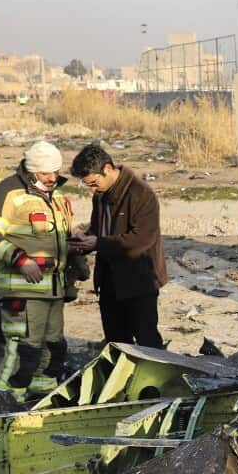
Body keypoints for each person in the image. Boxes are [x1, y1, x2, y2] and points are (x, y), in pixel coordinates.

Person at [0, 141, 77, 400]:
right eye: (45, 173)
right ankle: (4, 403)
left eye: (55, 171)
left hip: (54, 289)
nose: (53, 178)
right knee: (23, 352)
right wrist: (22, 261)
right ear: (31, 171)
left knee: (53, 349)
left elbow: (60, 238)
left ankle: (40, 398)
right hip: (22, 289)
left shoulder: (58, 196)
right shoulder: (7, 192)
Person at [69, 144, 167, 348]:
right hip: (109, 281)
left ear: (107, 169)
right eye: (88, 185)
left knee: (147, 340)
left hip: (140, 281)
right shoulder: (100, 195)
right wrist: (83, 242)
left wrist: (99, 243)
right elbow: (97, 231)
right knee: (115, 341)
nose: (92, 189)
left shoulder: (141, 194)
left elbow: (142, 239)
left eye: (94, 183)